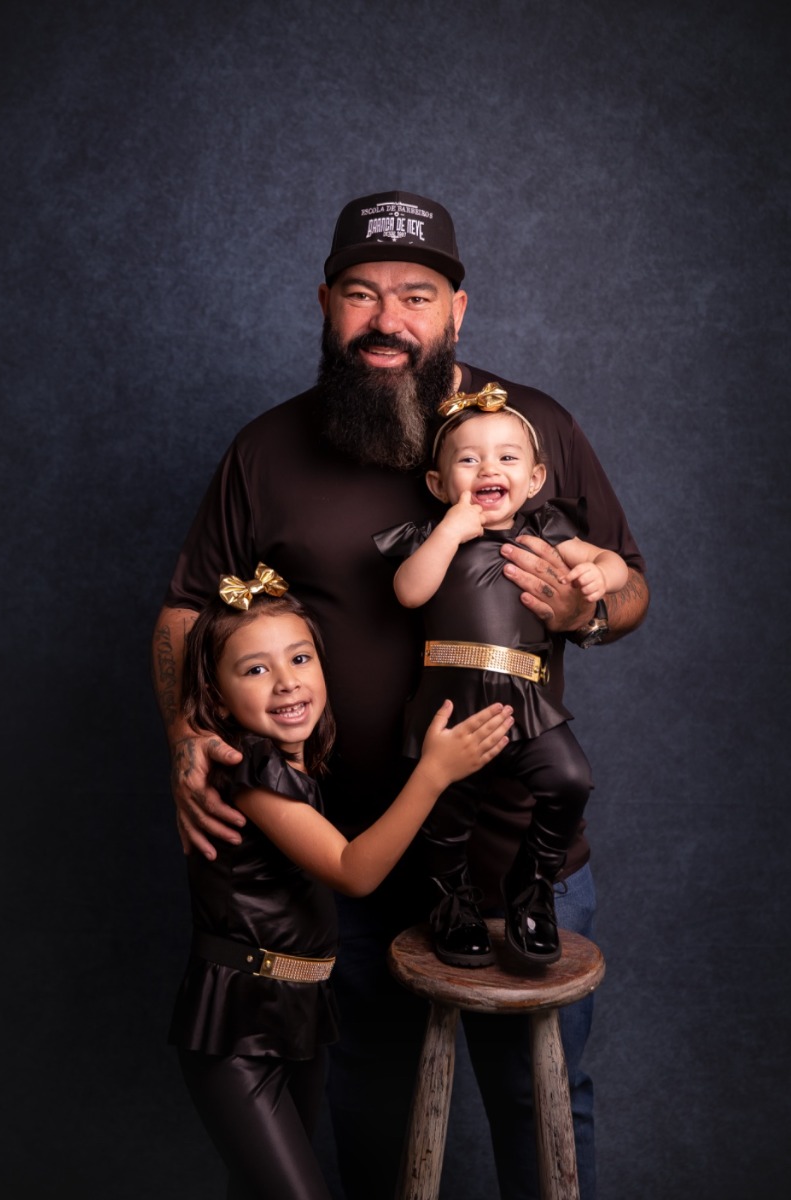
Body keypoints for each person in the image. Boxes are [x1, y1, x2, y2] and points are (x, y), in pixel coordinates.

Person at [152, 189, 649, 1200]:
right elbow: (186, 611)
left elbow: (628, 582)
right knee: (369, 1106)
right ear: (324, 302)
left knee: (540, 1104)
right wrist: (182, 733)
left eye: (415, 295)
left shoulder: (532, 428)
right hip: (348, 860)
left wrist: (589, 608)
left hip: (512, 854)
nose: (387, 320)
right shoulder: (267, 451)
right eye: (361, 293)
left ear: (457, 310)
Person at [169, 565, 513, 1200]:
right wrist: (434, 774)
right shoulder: (250, 772)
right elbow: (354, 872)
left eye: (300, 658)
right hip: (237, 1027)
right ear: (216, 698)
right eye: (255, 669)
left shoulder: (296, 765)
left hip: (296, 1011)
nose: (287, 681)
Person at [374, 393, 628, 968]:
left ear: (535, 479)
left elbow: (617, 563)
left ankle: (531, 884)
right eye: (469, 460)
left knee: (569, 779)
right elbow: (409, 591)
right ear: (439, 483)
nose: (489, 468)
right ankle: (452, 900)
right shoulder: (432, 535)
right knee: (447, 808)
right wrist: (450, 531)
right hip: (453, 702)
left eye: (507, 458)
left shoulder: (548, 529)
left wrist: (597, 575)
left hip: (524, 699)